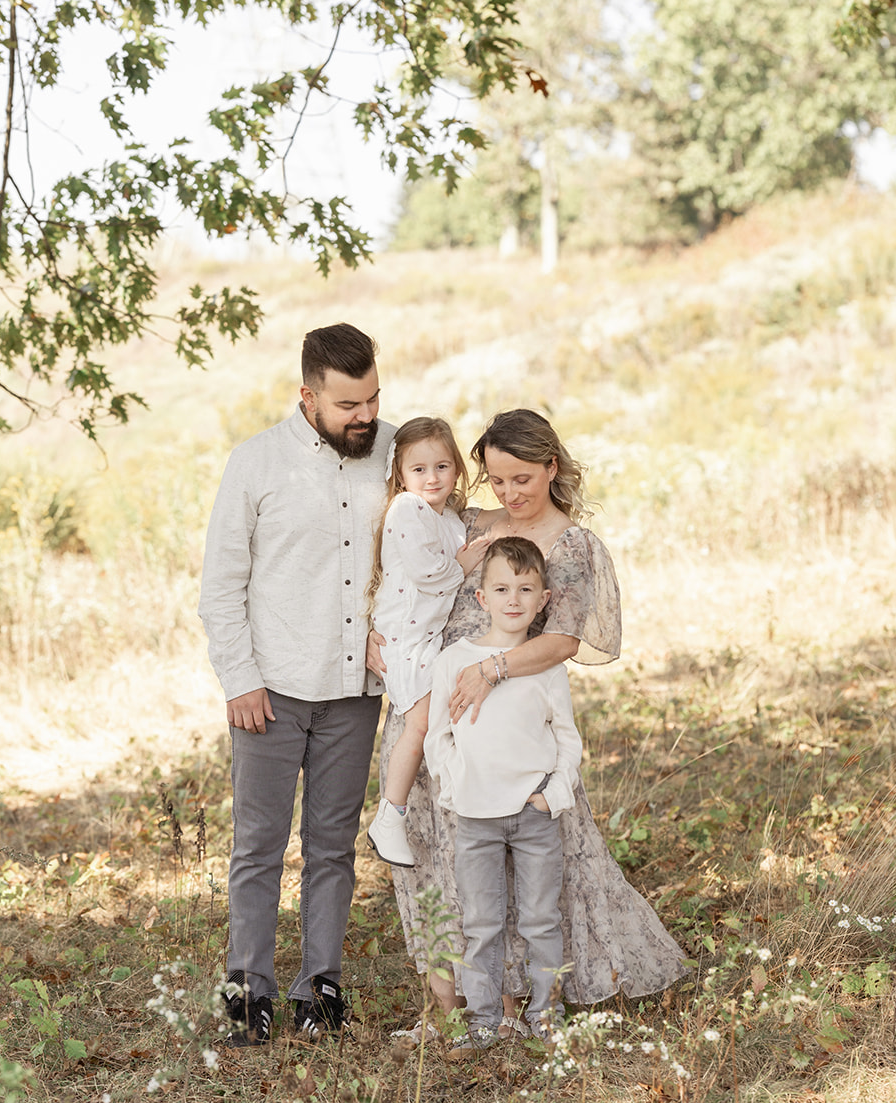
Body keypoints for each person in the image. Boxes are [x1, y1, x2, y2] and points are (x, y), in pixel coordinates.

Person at [374, 408, 687, 1028]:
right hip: (432, 714)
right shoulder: (457, 519)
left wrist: (491, 670)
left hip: (511, 724)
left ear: (551, 466)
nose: (509, 494)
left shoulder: (570, 546)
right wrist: (373, 642)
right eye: (496, 480)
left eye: (523, 479)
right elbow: (402, 578)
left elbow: (563, 640)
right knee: (438, 860)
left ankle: (519, 997)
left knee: (528, 867)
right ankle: (449, 1003)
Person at [199, 322, 394, 1045]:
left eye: (372, 398)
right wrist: (239, 679)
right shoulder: (254, 463)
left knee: (332, 846)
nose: (364, 416)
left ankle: (320, 988)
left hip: (354, 692)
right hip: (271, 690)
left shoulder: (399, 454)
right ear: (307, 395)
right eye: (348, 405)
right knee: (257, 845)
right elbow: (222, 586)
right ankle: (247, 990)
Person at [425, 537, 583, 1048]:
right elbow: (437, 738)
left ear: (543, 599)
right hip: (474, 816)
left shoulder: (543, 665)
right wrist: (455, 787)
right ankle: (484, 1019)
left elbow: (566, 738)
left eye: (524, 589)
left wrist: (552, 794)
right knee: (481, 923)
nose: (513, 599)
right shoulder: (455, 661)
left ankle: (543, 1015)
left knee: (540, 918)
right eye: (501, 588)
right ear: (481, 598)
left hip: (534, 812)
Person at [365, 418, 491, 868]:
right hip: (404, 636)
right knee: (419, 724)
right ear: (401, 473)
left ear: (456, 469)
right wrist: (463, 563)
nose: (432, 478)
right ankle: (389, 818)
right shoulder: (407, 510)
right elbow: (430, 574)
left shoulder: (451, 519)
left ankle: (455, 793)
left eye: (442, 466)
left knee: (442, 719)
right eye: (419, 469)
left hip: (429, 638)